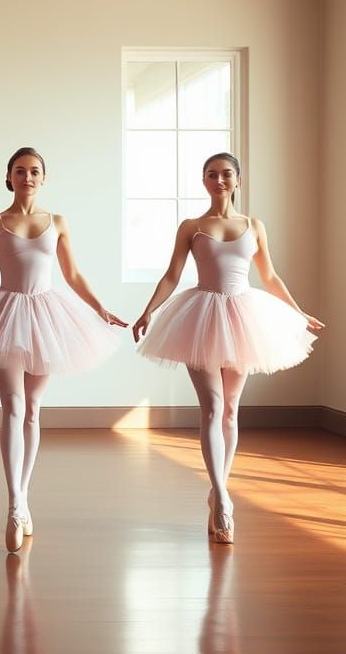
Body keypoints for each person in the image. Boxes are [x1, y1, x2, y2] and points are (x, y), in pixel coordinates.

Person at [0, 147, 126, 552]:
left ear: (44, 178)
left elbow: (72, 273)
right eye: (20, 171)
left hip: (45, 315)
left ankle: (23, 498)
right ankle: (13, 503)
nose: (27, 177)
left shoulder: (56, 222)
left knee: (33, 408)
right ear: (9, 177)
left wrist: (99, 308)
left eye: (34, 171)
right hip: (4, 315)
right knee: (13, 405)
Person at [133, 153, 322, 544]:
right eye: (212, 174)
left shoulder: (253, 225)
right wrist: (149, 310)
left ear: (238, 180)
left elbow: (269, 276)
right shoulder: (191, 227)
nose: (219, 180)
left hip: (243, 316)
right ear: (204, 180)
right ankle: (221, 498)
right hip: (200, 316)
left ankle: (219, 487)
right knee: (213, 407)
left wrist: (298, 312)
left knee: (231, 410)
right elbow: (172, 275)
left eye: (226, 174)